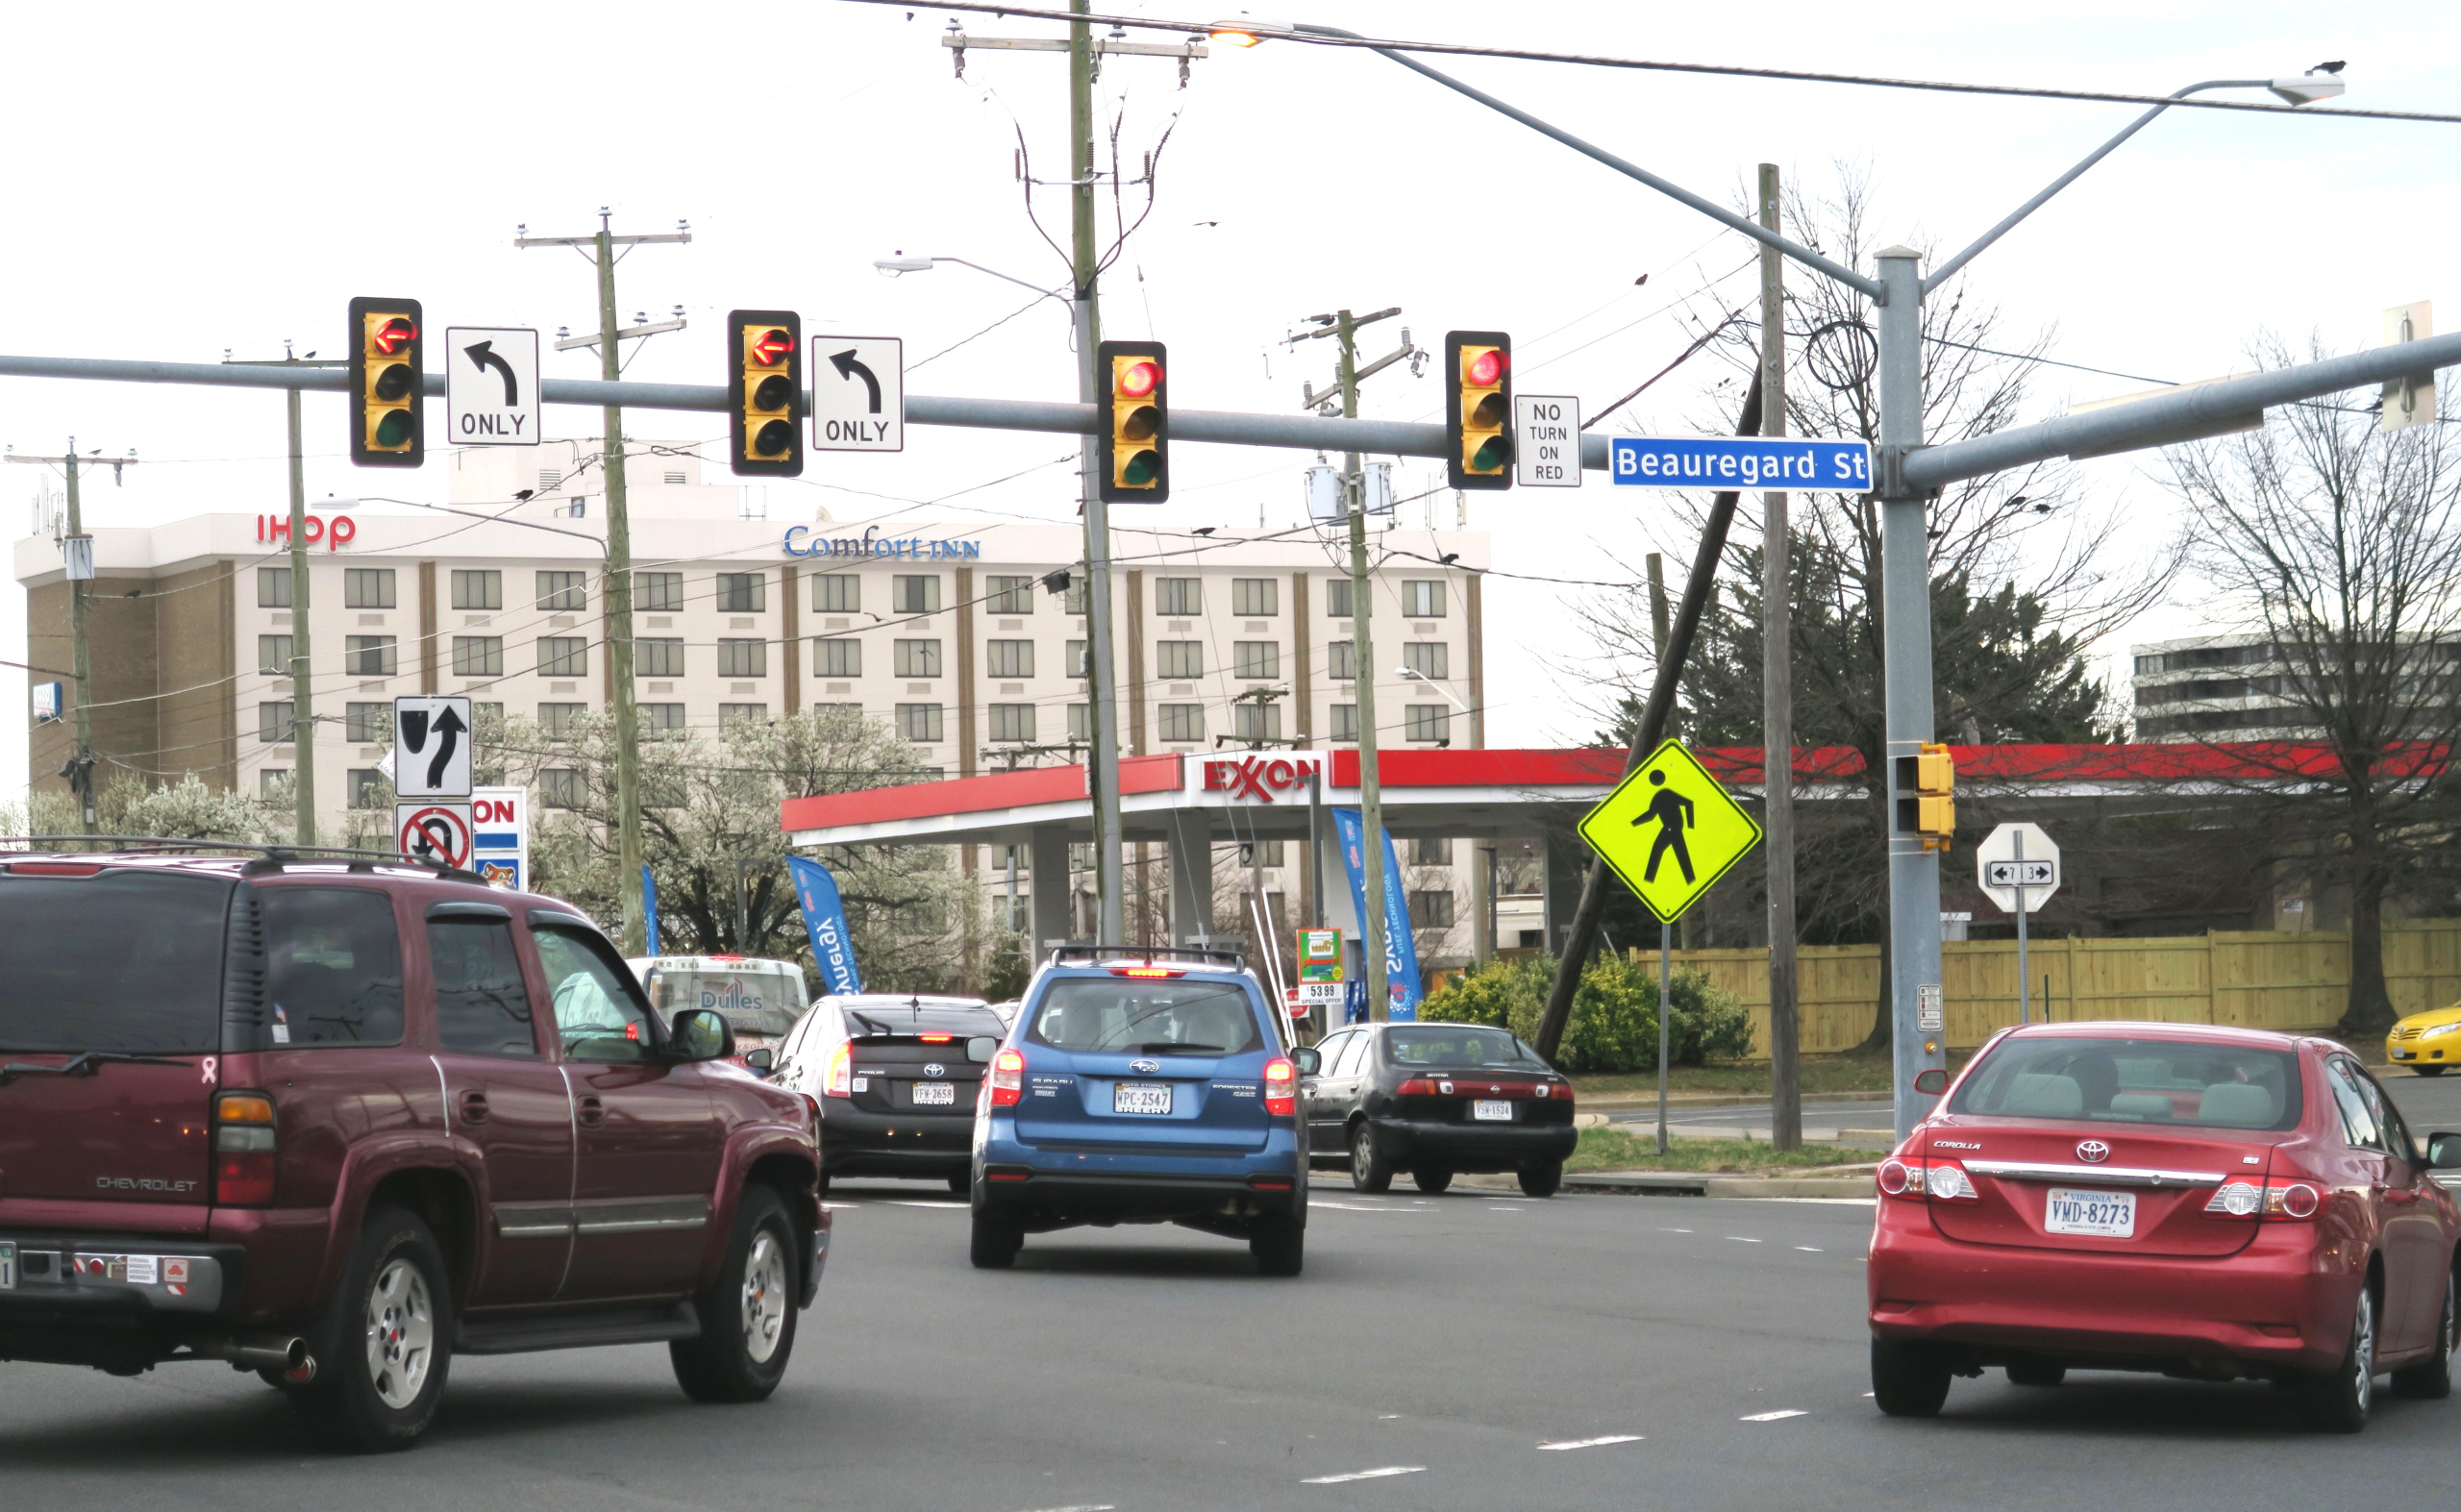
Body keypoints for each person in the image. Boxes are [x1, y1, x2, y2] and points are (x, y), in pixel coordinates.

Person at [1630, 768, 1697, 884]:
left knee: (1659, 849)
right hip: (1671, 826)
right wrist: (1634, 823)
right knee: (1680, 853)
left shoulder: (1665, 793)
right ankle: (1690, 880)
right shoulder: (1658, 796)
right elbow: (1651, 815)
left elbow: (1688, 803)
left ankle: (1648, 880)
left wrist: (1690, 825)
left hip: (1673, 826)